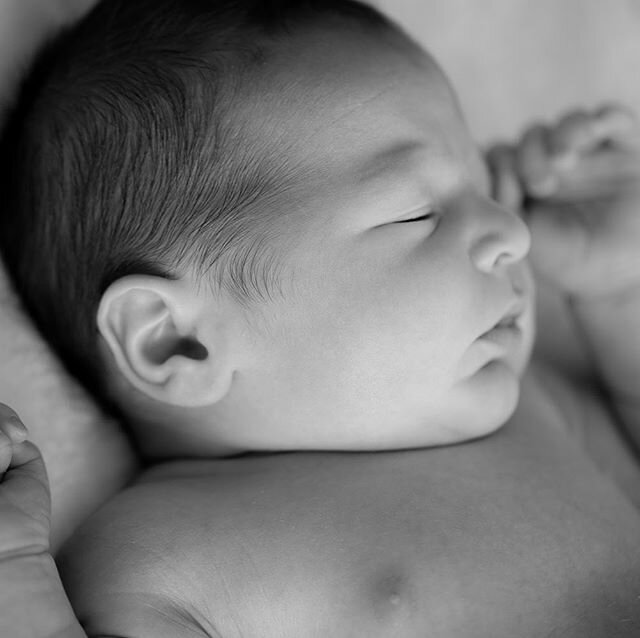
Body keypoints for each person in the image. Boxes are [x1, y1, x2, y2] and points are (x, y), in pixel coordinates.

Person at [1, 0, 640, 635]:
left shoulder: (533, 406)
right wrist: (13, 566)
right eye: (417, 213)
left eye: (485, 187)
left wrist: (615, 293)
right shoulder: (169, 554)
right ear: (178, 342)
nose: (513, 232)